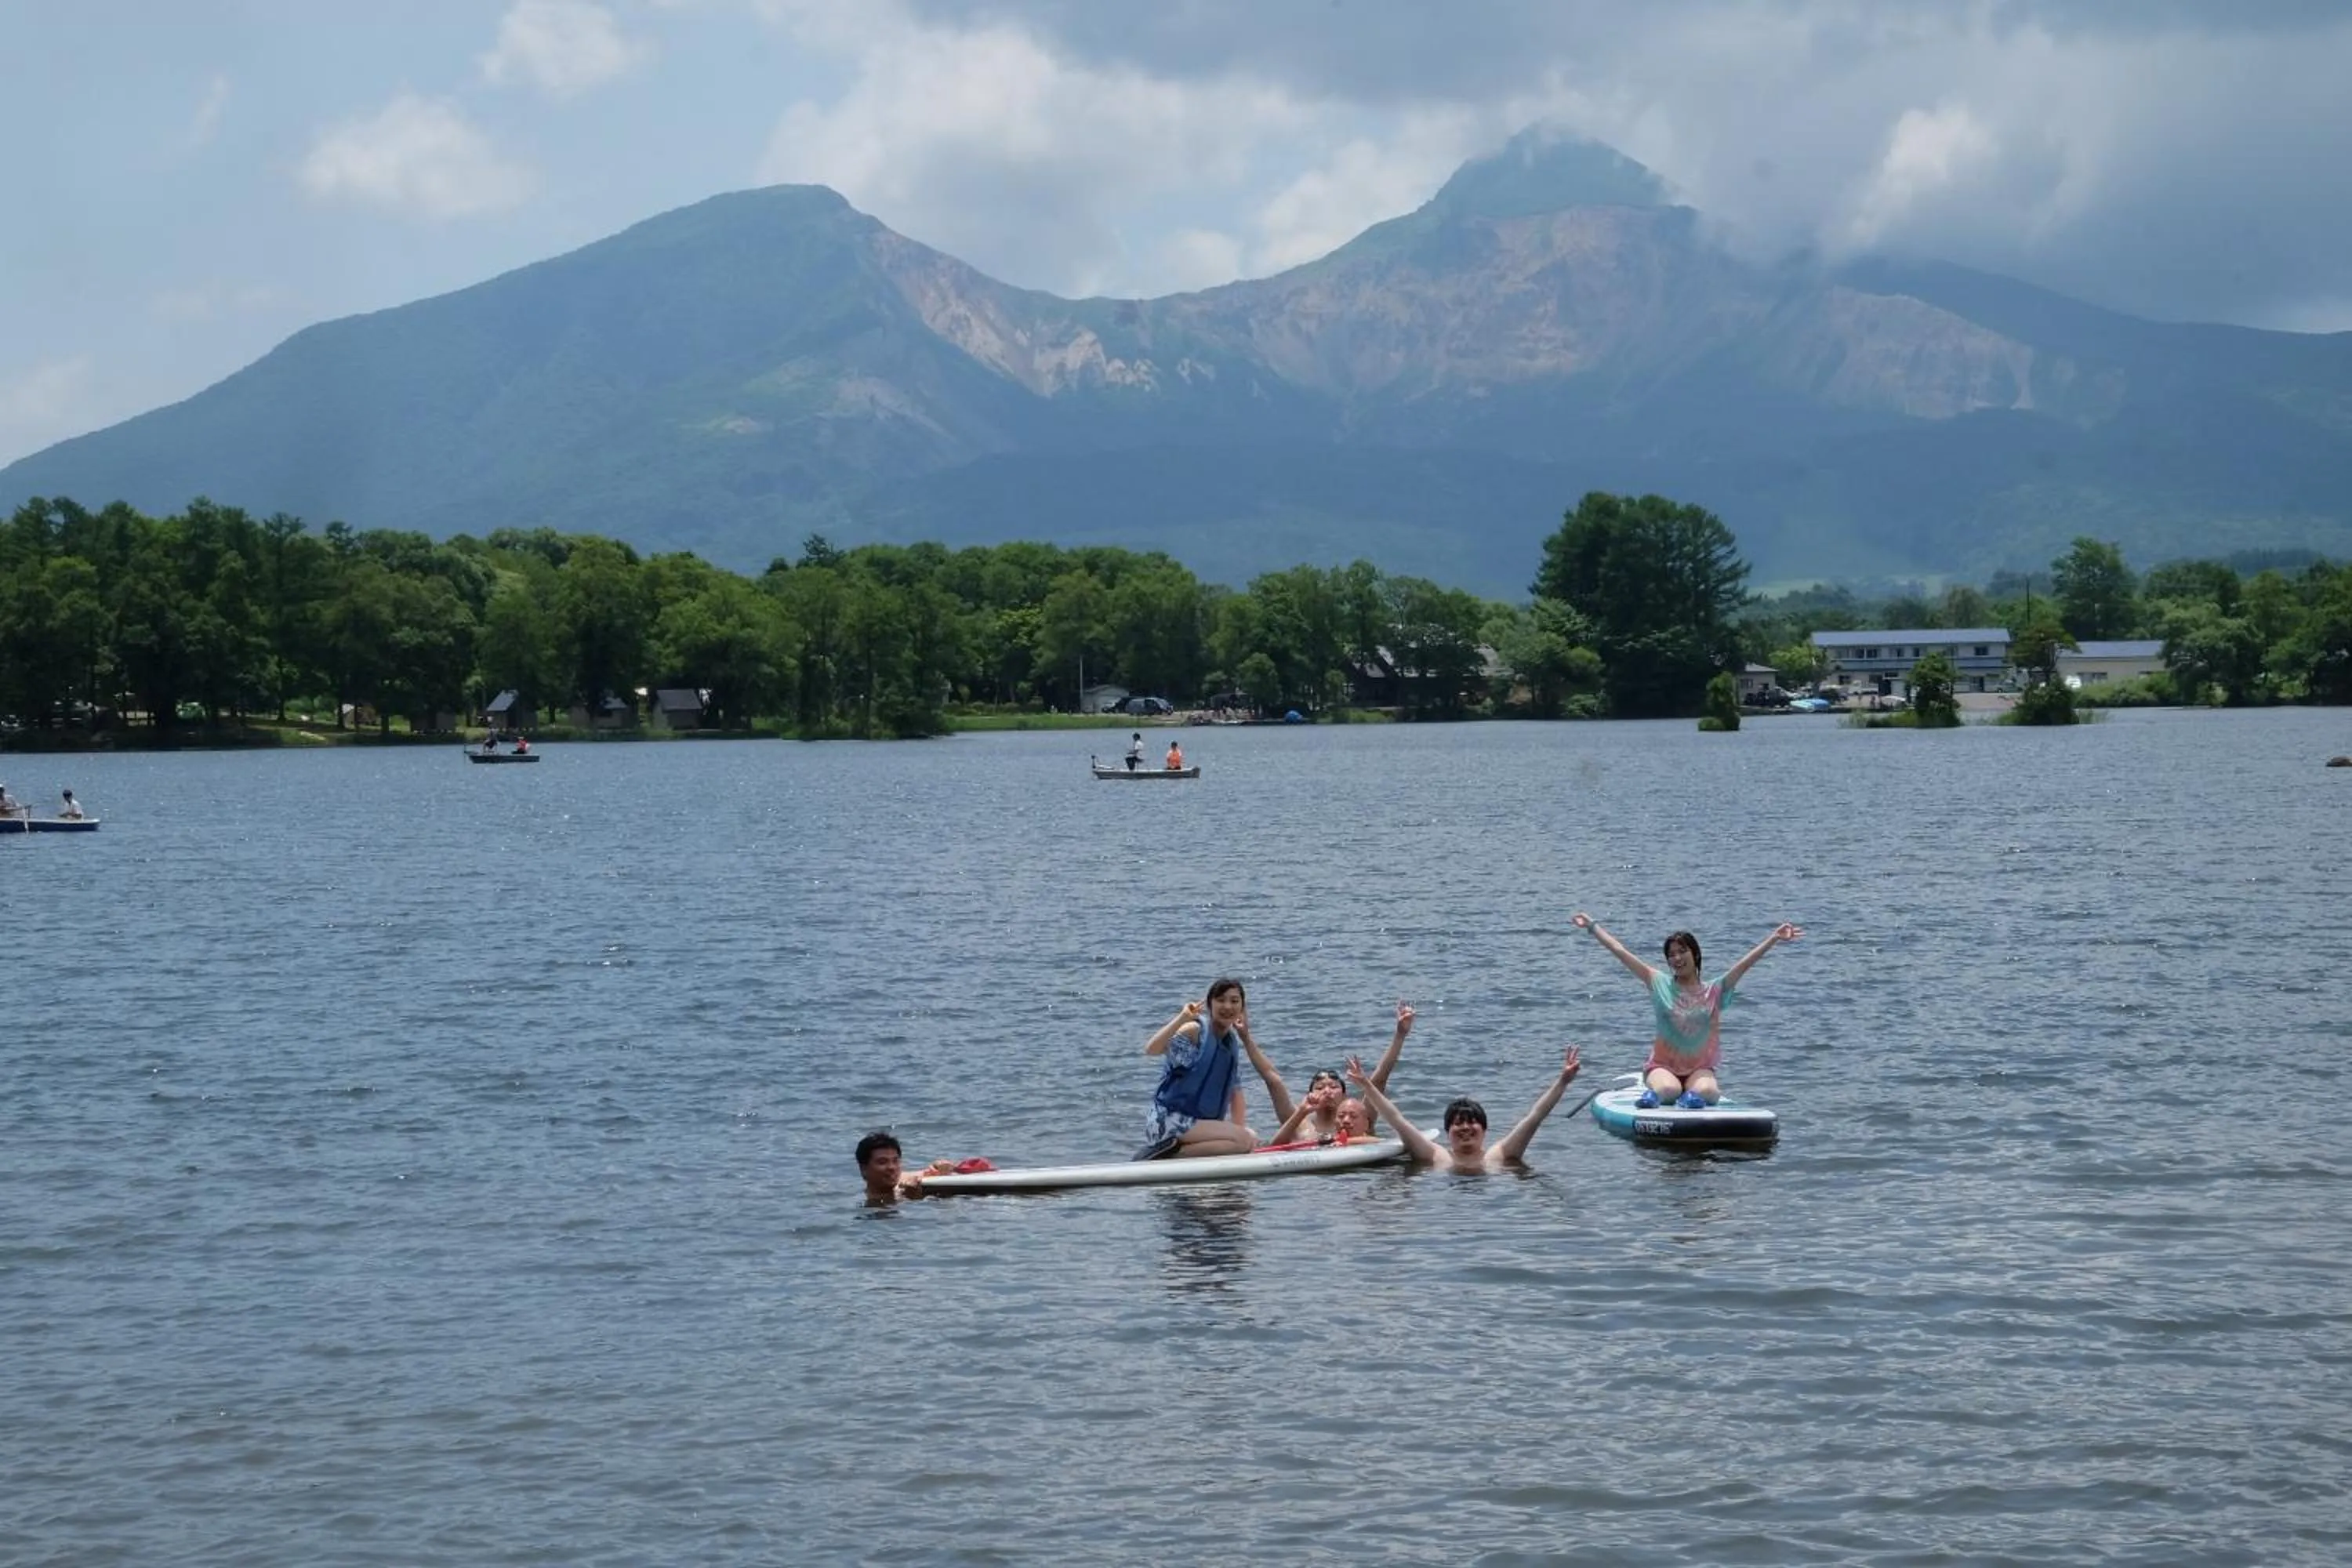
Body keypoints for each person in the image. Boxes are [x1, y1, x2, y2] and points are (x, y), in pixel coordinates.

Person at [1570, 913, 1802, 1108]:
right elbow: (1621, 952)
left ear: (1696, 954)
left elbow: (1744, 965)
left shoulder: (1715, 991)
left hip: (1699, 1068)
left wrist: (1774, 938)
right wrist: (1592, 927)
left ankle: (1689, 1100)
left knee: (1709, 1092)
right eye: (1671, 954)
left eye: (1682, 951)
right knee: (1668, 1089)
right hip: (1662, 1067)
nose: (1677, 958)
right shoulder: (1658, 982)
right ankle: (1654, 1098)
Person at [1346, 1047, 1584, 1170]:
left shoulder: (1498, 1155)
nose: (1465, 1128)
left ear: (1484, 1129)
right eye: (1458, 1123)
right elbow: (1396, 1119)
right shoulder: (1436, 1155)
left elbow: (1535, 1117)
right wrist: (1366, 1085)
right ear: (1447, 1131)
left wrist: (1562, 1082)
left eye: (1472, 1122)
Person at [1243, 1001, 1414, 1144]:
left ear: (1345, 1096)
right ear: (1308, 1096)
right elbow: (1273, 1080)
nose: (1327, 1091)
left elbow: (1380, 1079)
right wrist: (1245, 1037)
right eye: (1319, 1088)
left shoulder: (1359, 1116)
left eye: (1333, 1086)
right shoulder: (1300, 1122)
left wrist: (1400, 1035)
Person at [1136, 980, 1258, 1160]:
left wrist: (1241, 1145)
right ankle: (1167, 1157)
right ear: (1209, 1005)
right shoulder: (1195, 1031)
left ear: (1242, 1009)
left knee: (1249, 1138)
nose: (1227, 1006)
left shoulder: (1229, 1044)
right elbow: (1151, 1049)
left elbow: (1236, 1094)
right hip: (1168, 1121)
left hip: (1195, 1125)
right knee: (1244, 1139)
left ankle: (1183, 1153)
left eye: (1234, 1001)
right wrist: (1182, 1018)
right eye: (1221, 1000)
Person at [855, 1130, 958, 1204]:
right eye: (882, 1162)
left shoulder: (901, 1181)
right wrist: (911, 1198)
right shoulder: (868, 1201)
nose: (892, 1167)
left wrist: (938, 1167)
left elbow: (926, 1172)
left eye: (895, 1161)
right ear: (863, 1169)